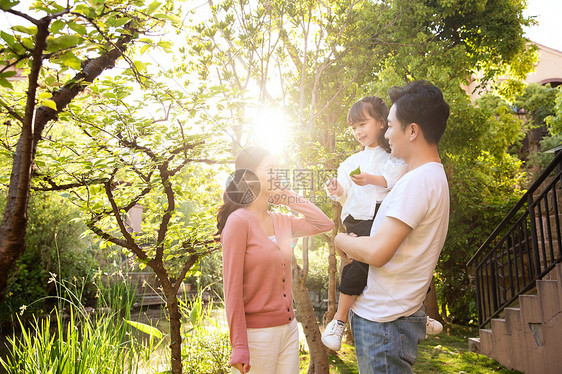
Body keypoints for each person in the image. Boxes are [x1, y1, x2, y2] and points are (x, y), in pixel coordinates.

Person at [334, 81, 450, 373]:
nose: (386, 133)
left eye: (391, 126)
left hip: (383, 324)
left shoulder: (417, 181)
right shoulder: (427, 177)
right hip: (389, 319)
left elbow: (377, 252)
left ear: (412, 130)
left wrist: (341, 240)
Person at [217, 146, 334, 374]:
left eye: (277, 170)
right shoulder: (238, 222)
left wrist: (288, 197)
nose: (277, 176)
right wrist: (239, 344)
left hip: (289, 330)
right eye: (270, 170)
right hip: (256, 336)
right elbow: (231, 291)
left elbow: (324, 224)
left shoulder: (282, 221)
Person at [321, 96, 408, 351]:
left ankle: (417, 314)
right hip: (358, 222)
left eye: (362, 124)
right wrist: (335, 188)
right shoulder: (349, 162)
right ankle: (339, 320)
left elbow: (395, 178)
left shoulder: (393, 156)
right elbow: (344, 192)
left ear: (381, 122)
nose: (358, 131)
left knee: (399, 263)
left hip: (383, 218)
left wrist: (371, 178)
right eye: (353, 127)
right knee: (357, 266)